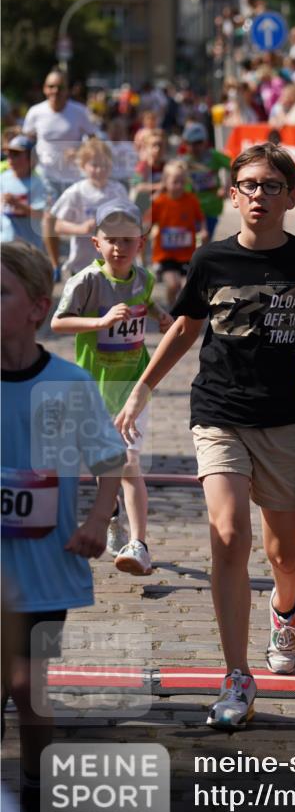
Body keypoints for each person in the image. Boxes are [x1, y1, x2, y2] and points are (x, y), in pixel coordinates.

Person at [115, 143, 295, 729]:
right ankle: (236, 674)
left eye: (271, 185)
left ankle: (285, 609)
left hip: (285, 419)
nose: (259, 195)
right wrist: (142, 389)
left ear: (291, 195)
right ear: (233, 196)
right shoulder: (211, 261)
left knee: (286, 552)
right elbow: (185, 327)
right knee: (230, 536)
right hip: (218, 412)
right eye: (249, 186)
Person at [1, 242, 125, 812]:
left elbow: (109, 462)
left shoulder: (70, 384)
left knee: (30, 691)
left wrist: (98, 522)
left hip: (46, 568)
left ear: (36, 309)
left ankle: (36, 788)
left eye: (2, 291)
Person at [51, 201, 173, 576]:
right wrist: (101, 320)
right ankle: (113, 511)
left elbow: (146, 302)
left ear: (141, 242)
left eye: (128, 240)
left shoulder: (144, 278)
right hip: (92, 387)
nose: (119, 247)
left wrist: (162, 317)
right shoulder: (86, 281)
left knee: (129, 462)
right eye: (111, 240)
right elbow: (58, 323)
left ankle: (139, 544)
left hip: (133, 385)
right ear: (96, 243)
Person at [22, 69, 97, 279]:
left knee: (81, 221)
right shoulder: (36, 112)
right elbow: (27, 141)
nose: (55, 91)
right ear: (45, 89)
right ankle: (55, 264)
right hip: (46, 175)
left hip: (75, 176)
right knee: (49, 217)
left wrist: (81, 151)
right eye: (51, 86)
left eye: (60, 87)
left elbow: (93, 140)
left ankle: (80, 263)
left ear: (68, 90)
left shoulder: (79, 111)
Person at [51, 137, 128, 276]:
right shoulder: (76, 192)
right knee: (85, 297)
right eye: (94, 165)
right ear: (83, 166)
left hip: (112, 263)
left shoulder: (118, 191)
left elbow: (129, 220)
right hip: (82, 265)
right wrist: (81, 228)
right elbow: (58, 226)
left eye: (105, 165)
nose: (100, 170)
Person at [148, 159, 207, 307]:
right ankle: (171, 308)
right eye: (175, 182)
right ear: (165, 182)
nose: (179, 186)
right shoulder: (159, 202)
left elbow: (201, 218)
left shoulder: (191, 200)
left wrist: (204, 230)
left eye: (182, 182)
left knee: (186, 286)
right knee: (173, 285)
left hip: (187, 254)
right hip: (165, 254)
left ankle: (181, 311)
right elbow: (148, 222)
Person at [180, 122, 230, 241]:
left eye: (198, 142)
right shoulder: (183, 160)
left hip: (211, 207)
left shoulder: (214, 156)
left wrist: (226, 187)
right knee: (192, 242)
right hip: (191, 208)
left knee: (205, 241)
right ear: (185, 144)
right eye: (190, 143)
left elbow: (234, 166)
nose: (195, 147)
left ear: (205, 141)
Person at [0, 135, 46, 248]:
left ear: (30, 157)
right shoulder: (3, 178)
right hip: (5, 242)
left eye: (16, 154)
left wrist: (17, 204)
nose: (10, 158)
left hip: (29, 245)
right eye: (8, 154)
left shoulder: (37, 183)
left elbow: (40, 214)